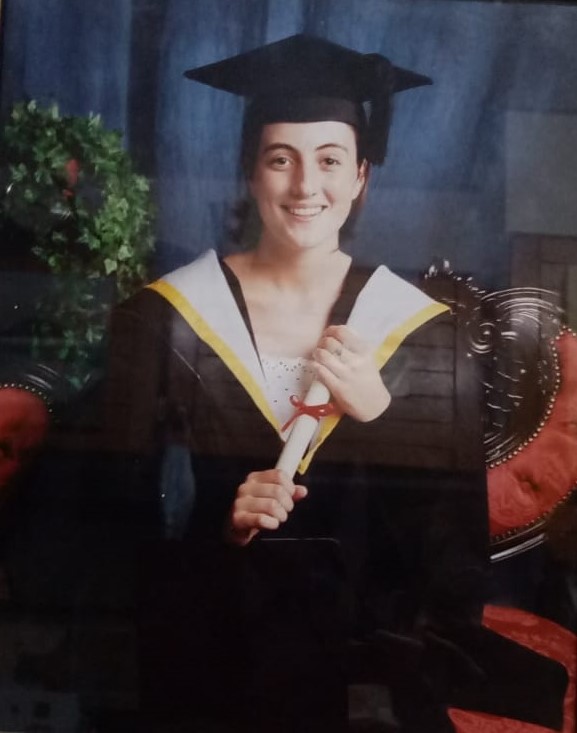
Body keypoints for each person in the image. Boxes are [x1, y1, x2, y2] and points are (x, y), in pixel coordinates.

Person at [101, 35, 567, 733]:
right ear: (249, 172)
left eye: (328, 160)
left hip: (364, 681)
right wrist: (215, 523)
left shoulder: (419, 329)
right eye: (278, 158)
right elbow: (107, 523)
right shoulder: (163, 319)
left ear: (360, 178)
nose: (303, 187)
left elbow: (451, 570)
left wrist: (383, 416)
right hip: (209, 661)